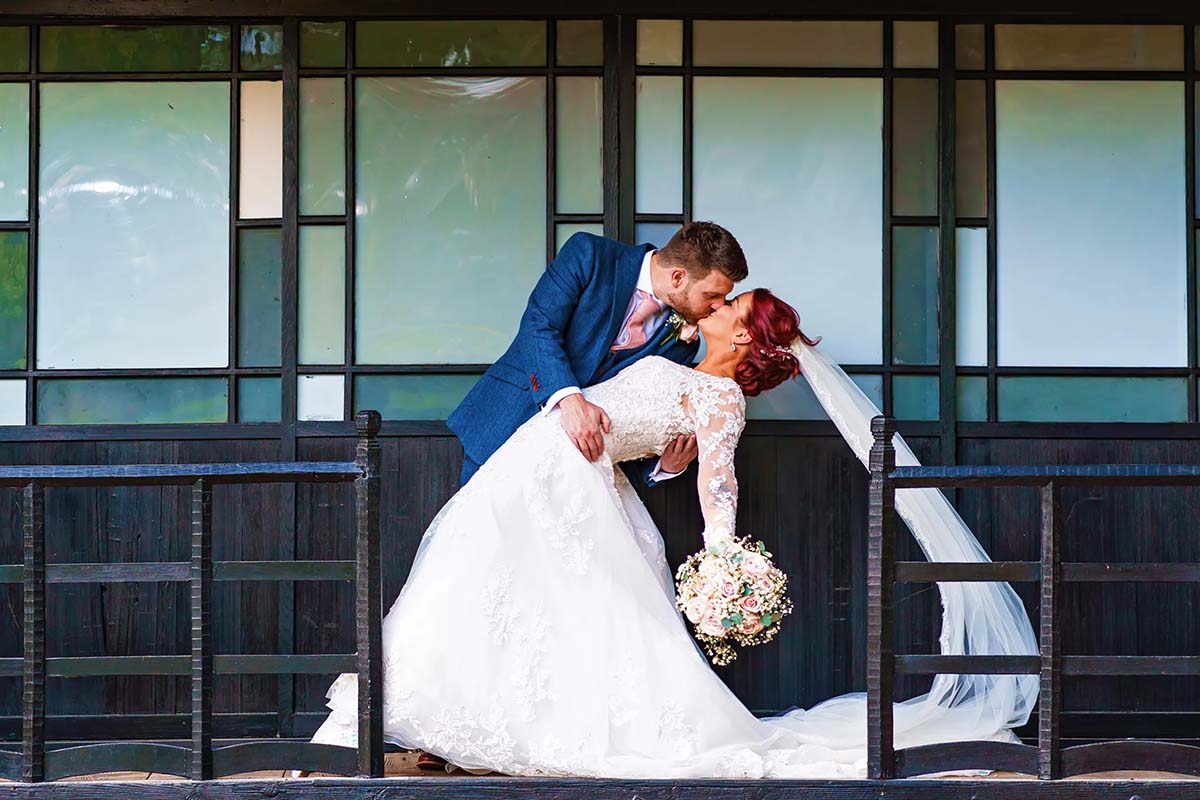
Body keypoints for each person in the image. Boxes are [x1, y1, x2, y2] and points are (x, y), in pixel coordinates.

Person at [307, 286, 1039, 778]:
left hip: (561, 485)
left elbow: (718, 485)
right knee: (475, 591)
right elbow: (647, 432)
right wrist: (664, 456)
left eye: (731, 304)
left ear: (745, 332)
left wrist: (723, 558)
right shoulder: (685, 368)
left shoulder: (719, 397)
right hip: (542, 470)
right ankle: (399, 727)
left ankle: (387, 731)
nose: (716, 304)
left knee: (480, 591)